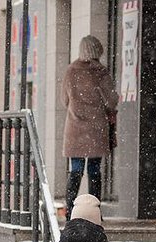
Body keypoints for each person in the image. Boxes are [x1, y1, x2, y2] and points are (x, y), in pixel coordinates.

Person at [62, 35, 119, 220]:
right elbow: (112, 100)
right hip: (96, 128)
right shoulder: (101, 71)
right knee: (94, 170)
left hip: (75, 128)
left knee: (76, 169)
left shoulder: (71, 70)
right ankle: (95, 211)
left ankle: (71, 209)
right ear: (97, 50)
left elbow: (64, 99)